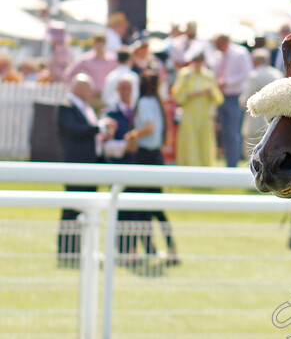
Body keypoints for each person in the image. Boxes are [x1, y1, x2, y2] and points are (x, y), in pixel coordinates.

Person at [56, 74, 115, 267]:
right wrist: (98, 128)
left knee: (89, 209)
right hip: (76, 167)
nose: (92, 93)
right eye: (89, 89)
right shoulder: (67, 107)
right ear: (80, 89)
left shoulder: (86, 108)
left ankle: (84, 251)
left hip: (91, 166)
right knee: (72, 211)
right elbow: (76, 130)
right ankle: (66, 252)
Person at [124, 71, 180, 266]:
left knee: (135, 206)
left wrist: (132, 135)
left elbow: (149, 127)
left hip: (144, 158)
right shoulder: (157, 102)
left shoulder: (145, 102)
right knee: (156, 207)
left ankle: (132, 252)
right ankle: (170, 250)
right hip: (155, 157)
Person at [172, 47, 223, 167]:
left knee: (205, 142)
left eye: (200, 60)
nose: (198, 63)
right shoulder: (185, 75)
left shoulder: (208, 75)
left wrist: (210, 93)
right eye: (196, 60)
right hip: (189, 115)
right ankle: (189, 168)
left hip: (205, 115)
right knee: (190, 141)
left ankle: (206, 168)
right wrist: (192, 94)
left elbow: (218, 98)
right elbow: (177, 95)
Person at [212, 34, 252, 167]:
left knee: (233, 131)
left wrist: (227, 82)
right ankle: (229, 162)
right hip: (222, 96)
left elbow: (246, 73)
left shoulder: (240, 53)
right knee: (225, 131)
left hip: (235, 96)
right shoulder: (218, 55)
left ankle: (233, 163)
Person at [239, 48, 281, 157]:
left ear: (255, 61)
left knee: (251, 153)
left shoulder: (254, 75)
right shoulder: (277, 74)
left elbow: (245, 101)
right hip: (272, 120)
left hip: (255, 120)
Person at [64, 32, 119, 115]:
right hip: (90, 96)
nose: (99, 46)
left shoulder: (112, 60)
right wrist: (77, 89)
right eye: (97, 42)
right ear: (93, 43)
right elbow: (69, 74)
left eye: (101, 43)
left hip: (106, 96)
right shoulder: (86, 59)